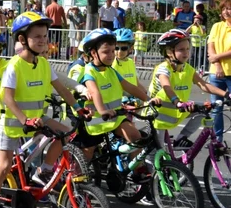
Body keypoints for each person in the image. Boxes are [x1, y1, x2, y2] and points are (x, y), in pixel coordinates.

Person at [0, 12, 84, 208]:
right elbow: (7, 97)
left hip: (36, 118)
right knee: (5, 165)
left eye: (45, 37)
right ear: (22, 40)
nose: (42, 40)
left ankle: (44, 170)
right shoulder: (14, 66)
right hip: (11, 121)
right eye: (37, 37)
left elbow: (62, 89)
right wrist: (23, 119)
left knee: (65, 133)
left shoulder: (44, 64)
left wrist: (77, 107)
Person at [75, 29, 154, 162]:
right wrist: (102, 111)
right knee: (88, 152)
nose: (112, 55)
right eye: (106, 52)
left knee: (136, 136)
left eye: (113, 51)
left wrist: (149, 99)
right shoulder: (88, 72)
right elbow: (95, 92)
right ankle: (77, 177)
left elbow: (129, 86)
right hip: (93, 120)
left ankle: (136, 169)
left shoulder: (111, 70)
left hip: (114, 117)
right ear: (94, 53)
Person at [150, 29, 230, 148]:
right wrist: (177, 102)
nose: (186, 53)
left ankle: (181, 138)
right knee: (156, 158)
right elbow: (167, 87)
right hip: (158, 115)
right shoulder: (163, 69)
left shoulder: (188, 69)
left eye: (188, 49)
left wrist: (226, 95)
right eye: (181, 49)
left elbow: (204, 85)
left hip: (177, 110)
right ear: (169, 52)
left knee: (203, 110)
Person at [206, 0, 231, 141]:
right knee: (216, 108)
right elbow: (211, 46)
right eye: (223, 9)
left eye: (228, 8)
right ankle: (217, 141)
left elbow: (215, 54)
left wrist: (216, 57)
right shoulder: (217, 26)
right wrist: (217, 65)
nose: (226, 12)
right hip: (217, 74)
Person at [112, 29, 146, 97]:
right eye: (116, 48)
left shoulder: (131, 62)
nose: (119, 51)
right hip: (119, 101)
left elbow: (136, 83)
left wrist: (147, 93)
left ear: (131, 48)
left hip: (133, 100)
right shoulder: (112, 63)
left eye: (124, 48)